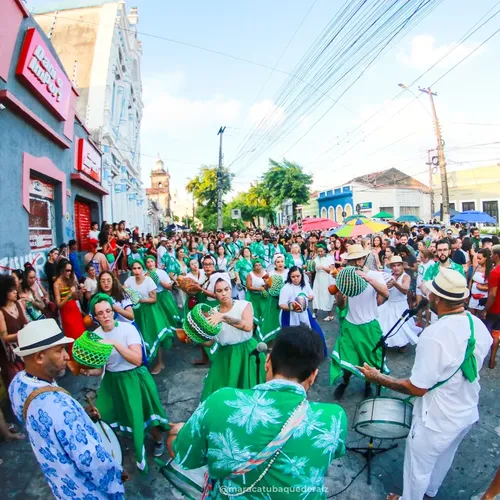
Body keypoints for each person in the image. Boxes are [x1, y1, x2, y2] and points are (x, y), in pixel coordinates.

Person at [170, 325, 347, 499]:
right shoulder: (334, 418)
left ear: (267, 362)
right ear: (314, 375)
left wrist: (176, 433)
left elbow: (184, 458)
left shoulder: (219, 402)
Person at [359, 268, 492, 500]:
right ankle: (431, 492)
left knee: (417, 470)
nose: (428, 296)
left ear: (437, 299)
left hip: (437, 421)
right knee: (444, 458)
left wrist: (378, 378)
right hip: (467, 412)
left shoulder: (434, 335)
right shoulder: (477, 325)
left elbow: (416, 388)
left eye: (430, 293)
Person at [9, 319, 125, 497]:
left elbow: (39, 422)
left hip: (61, 487)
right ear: (39, 357)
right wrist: (116, 474)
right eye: (59, 350)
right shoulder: (61, 408)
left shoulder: (17, 383)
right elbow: (92, 461)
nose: (66, 356)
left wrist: (80, 414)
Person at [82, 295, 169, 471]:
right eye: (100, 313)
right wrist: (89, 371)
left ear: (113, 311)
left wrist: (114, 343)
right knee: (108, 415)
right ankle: (123, 444)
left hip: (134, 378)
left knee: (143, 413)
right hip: (113, 380)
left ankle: (159, 440)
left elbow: (137, 359)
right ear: (96, 317)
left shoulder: (128, 329)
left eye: (108, 311)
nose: (105, 315)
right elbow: (101, 368)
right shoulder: (96, 336)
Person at [330, 244, 390, 400]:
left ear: (364, 259)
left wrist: (368, 278)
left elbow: (385, 294)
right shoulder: (345, 277)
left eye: (360, 259)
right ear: (349, 262)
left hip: (369, 325)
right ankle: (344, 382)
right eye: (353, 260)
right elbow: (342, 305)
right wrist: (339, 298)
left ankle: (368, 385)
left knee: (369, 360)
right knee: (347, 357)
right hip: (350, 324)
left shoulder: (375, 275)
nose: (357, 263)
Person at [198, 273, 266, 401]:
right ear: (214, 293)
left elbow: (247, 326)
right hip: (225, 354)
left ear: (231, 289)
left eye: (226, 289)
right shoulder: (212, 312)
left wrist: (223, 317)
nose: (223, 293)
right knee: (220, 390)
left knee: (249, 388)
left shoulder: (244, 305)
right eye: (219, 291)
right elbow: (211, 341)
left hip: (247, 351)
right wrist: (197, 338)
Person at [124, 259, 174, 368]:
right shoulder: (129, 280)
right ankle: (141, 360)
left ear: (143, 269)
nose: (137, 271)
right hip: (136, 312)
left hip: (150, 311)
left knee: (154, 333)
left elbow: (154, 299)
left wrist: (139, 300)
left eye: (139, 268)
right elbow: (124, 291)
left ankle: (160, 363)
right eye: (134, 268)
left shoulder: (148, 281)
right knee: (139, 336)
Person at [279, 266, 327, 356]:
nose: (296, 279)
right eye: (293, 277)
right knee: (292, 338)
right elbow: (281, 304)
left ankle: (315, 354)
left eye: (298, 276)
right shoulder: (286, 288)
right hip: (289, 315)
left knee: (316, 332)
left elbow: (311, 293)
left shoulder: (305, 284)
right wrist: (292, 308)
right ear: (289, 277)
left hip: (304, 313)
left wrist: (311, 296)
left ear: (302, 275)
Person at [144, 255, 179, 374]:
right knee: (158, 328)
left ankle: (167, 344)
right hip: (152, 302)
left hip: (163, 299)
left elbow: (169, 287)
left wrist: (158, 280)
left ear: (155, 262)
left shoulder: (161, 272)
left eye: (151, 261)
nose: (149, 264)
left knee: (168, 323)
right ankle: (160, 358)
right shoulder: (143, 274)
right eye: (147, 262)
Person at [378, 256, 421, 349]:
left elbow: (405, 290)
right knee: (385, 324)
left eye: (398, 265)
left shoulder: (406, 277)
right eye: (394, 266)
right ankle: (387, 342)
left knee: (402, 326)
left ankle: (402, 344)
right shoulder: (390, 276)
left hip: (401, 305)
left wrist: (395, 284)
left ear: (402, 266)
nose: (396, 267)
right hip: (390, 304)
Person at [53, 259, 86, 357]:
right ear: (61, 270)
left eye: (70, 270)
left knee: (81, 333)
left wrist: (80, 292)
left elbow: (75, 298)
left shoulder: (70, 280)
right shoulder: (56, 284)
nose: (69, 273)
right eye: (67, 270)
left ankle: (84, 356)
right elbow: (59, 305)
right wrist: (69, 294)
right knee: (72, 335)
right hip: (66, 312)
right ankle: (75, 358)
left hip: (74, 309)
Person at [0, 275, 28, 389]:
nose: (15, 292)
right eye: (11, 290)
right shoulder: (1, 312)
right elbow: (4, 337)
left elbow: (26, 321)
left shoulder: (19, 304)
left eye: (14, 289)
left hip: (27, 344)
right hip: (14, 353)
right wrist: (20, 335)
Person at [259, 253, 287, 344]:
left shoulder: (289, 272)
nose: (280, 264)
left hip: (286, 301)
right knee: (273, 320)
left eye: (282, 261)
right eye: (278, 262)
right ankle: (273, 341)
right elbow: (266, 287)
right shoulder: (270, 274)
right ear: (275, 263)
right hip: (273, 301)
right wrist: (266, 285)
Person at [485, 244, 500, 369]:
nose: (490, 256)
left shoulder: (495, 272)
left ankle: (481, 358)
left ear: (496, 255)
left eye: (491, 254)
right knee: (496, 334)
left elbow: (493, 294)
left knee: (486, 334)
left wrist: (485, 309)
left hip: (494, 309)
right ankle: (492, 360)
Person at [312, 243, 335, 321]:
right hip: (318, 278)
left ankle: (330, 314)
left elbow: (332, 270)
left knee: (326, 295)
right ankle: (315, 312)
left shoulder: (329, 258)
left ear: (325, 251)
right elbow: (312, 268)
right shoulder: (316, 258)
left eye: (321, 251)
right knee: (316, 293)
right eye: (318, 251)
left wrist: (322, 267)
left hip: (326, 278)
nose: (320, 253)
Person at [245, 259, 270, 330]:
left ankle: (261, 328)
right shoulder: (250, 274)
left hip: (262, 296)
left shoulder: (265, 273)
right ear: (253, 267)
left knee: (262, 311)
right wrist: (259, 288)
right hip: (253, 297)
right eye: (256, 265)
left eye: (259, 265)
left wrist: (265, 286)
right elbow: (249, 286)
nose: (258, 267)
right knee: (254, 312)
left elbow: (267, 284)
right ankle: (253, 328)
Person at [468, 248, 491, 318]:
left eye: (480, 258)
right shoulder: (477, 267)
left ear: (486, 258)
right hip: (473, 297)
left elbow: (490, 286)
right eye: (477, 258)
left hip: (483, 298)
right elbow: (471, 280)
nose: (478, 260)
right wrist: (469, 292)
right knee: (471, 317)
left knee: (480, 318)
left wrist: (481, 287)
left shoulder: (490, 270)